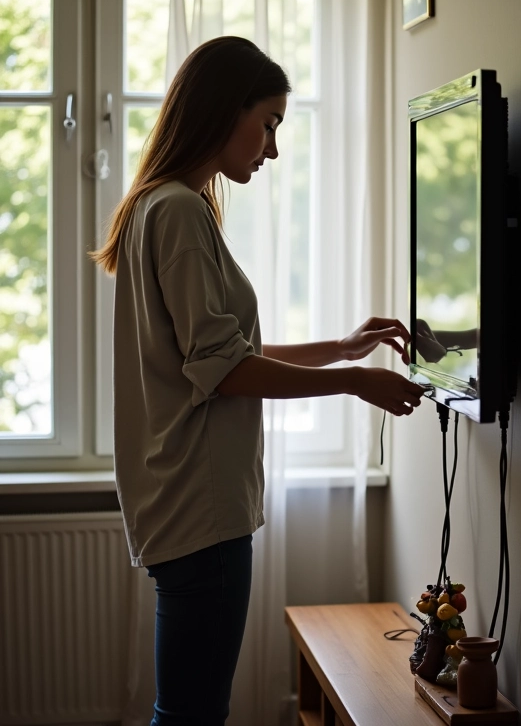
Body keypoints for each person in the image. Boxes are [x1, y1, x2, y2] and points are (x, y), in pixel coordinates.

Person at [90, 36, 424, 726]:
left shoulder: (163, 205)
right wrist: (357, 384)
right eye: (268, 123)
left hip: (183, 505)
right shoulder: (179, 211)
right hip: (201, 511)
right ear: (222, 111)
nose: (271, 148)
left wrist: (339, 348)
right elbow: (228, 369)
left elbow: (225, 352)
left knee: (184, 711)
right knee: (191, 716)